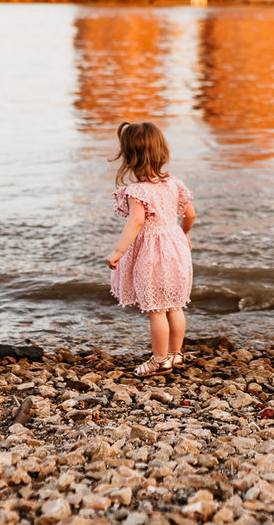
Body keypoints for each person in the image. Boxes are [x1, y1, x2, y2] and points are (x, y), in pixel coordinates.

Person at [105, 121, 195, 376]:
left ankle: (159, 360)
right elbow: (190, 214)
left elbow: (136, 221)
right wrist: (185, 234)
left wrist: (118, 252)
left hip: (153, 254)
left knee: (156, 310)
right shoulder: (175, 183)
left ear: (129, 157)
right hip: (176, 248)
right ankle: (176, 354)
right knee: (175, 306)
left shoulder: (137, 191)